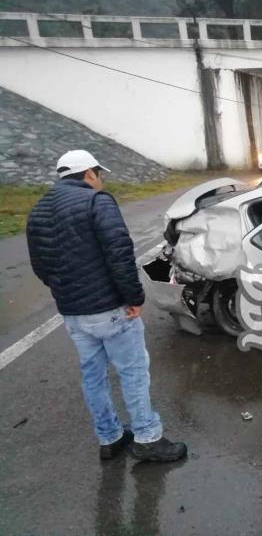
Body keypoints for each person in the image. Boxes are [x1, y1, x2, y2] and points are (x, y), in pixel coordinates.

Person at [26, 150, 187, 463]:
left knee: (93, 375)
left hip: (73, 313)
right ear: (89, 174)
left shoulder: (39, 210)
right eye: (99, 174)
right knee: (133, 373)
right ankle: (147, 436)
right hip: (111, 309)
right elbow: (120, 255)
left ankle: (110, 437)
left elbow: (40, 266)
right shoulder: (97, 202)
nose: (101, 180)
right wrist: (134, 299)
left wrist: (66, 292)